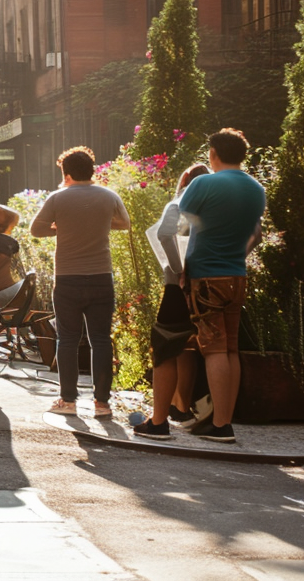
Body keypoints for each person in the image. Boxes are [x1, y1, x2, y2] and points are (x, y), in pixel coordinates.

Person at [177, 129, 266, 444]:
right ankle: (223, 420)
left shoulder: (203, 183)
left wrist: (179, 270)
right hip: (236, 276)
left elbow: (178, 227)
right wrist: (238, 256)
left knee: (214, 349)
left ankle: (220, 426)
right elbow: (256, 234)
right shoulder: (256, 189)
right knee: (230, 349)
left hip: (206, 277)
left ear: (213, 153)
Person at [29, 147, 132, 418]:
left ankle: (68, 401)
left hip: (67, 279)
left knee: (67, 339)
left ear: (66, 173)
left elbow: (36, 229)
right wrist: (99, 224)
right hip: (101, 277)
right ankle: (102, 404)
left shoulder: (57, 198)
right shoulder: (108, 196)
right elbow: (125, 223)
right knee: (101, 339)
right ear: (92, 171)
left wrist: (61, 227)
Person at [133, 163, 211, 440]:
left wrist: (178, 270)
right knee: (189, 347)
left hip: (178, 287)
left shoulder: (179, 203)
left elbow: (165, 234)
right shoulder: (215, 207)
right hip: (212, 284)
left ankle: (158, 422)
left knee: (165, 348)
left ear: (185, 181)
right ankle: (183, 409)